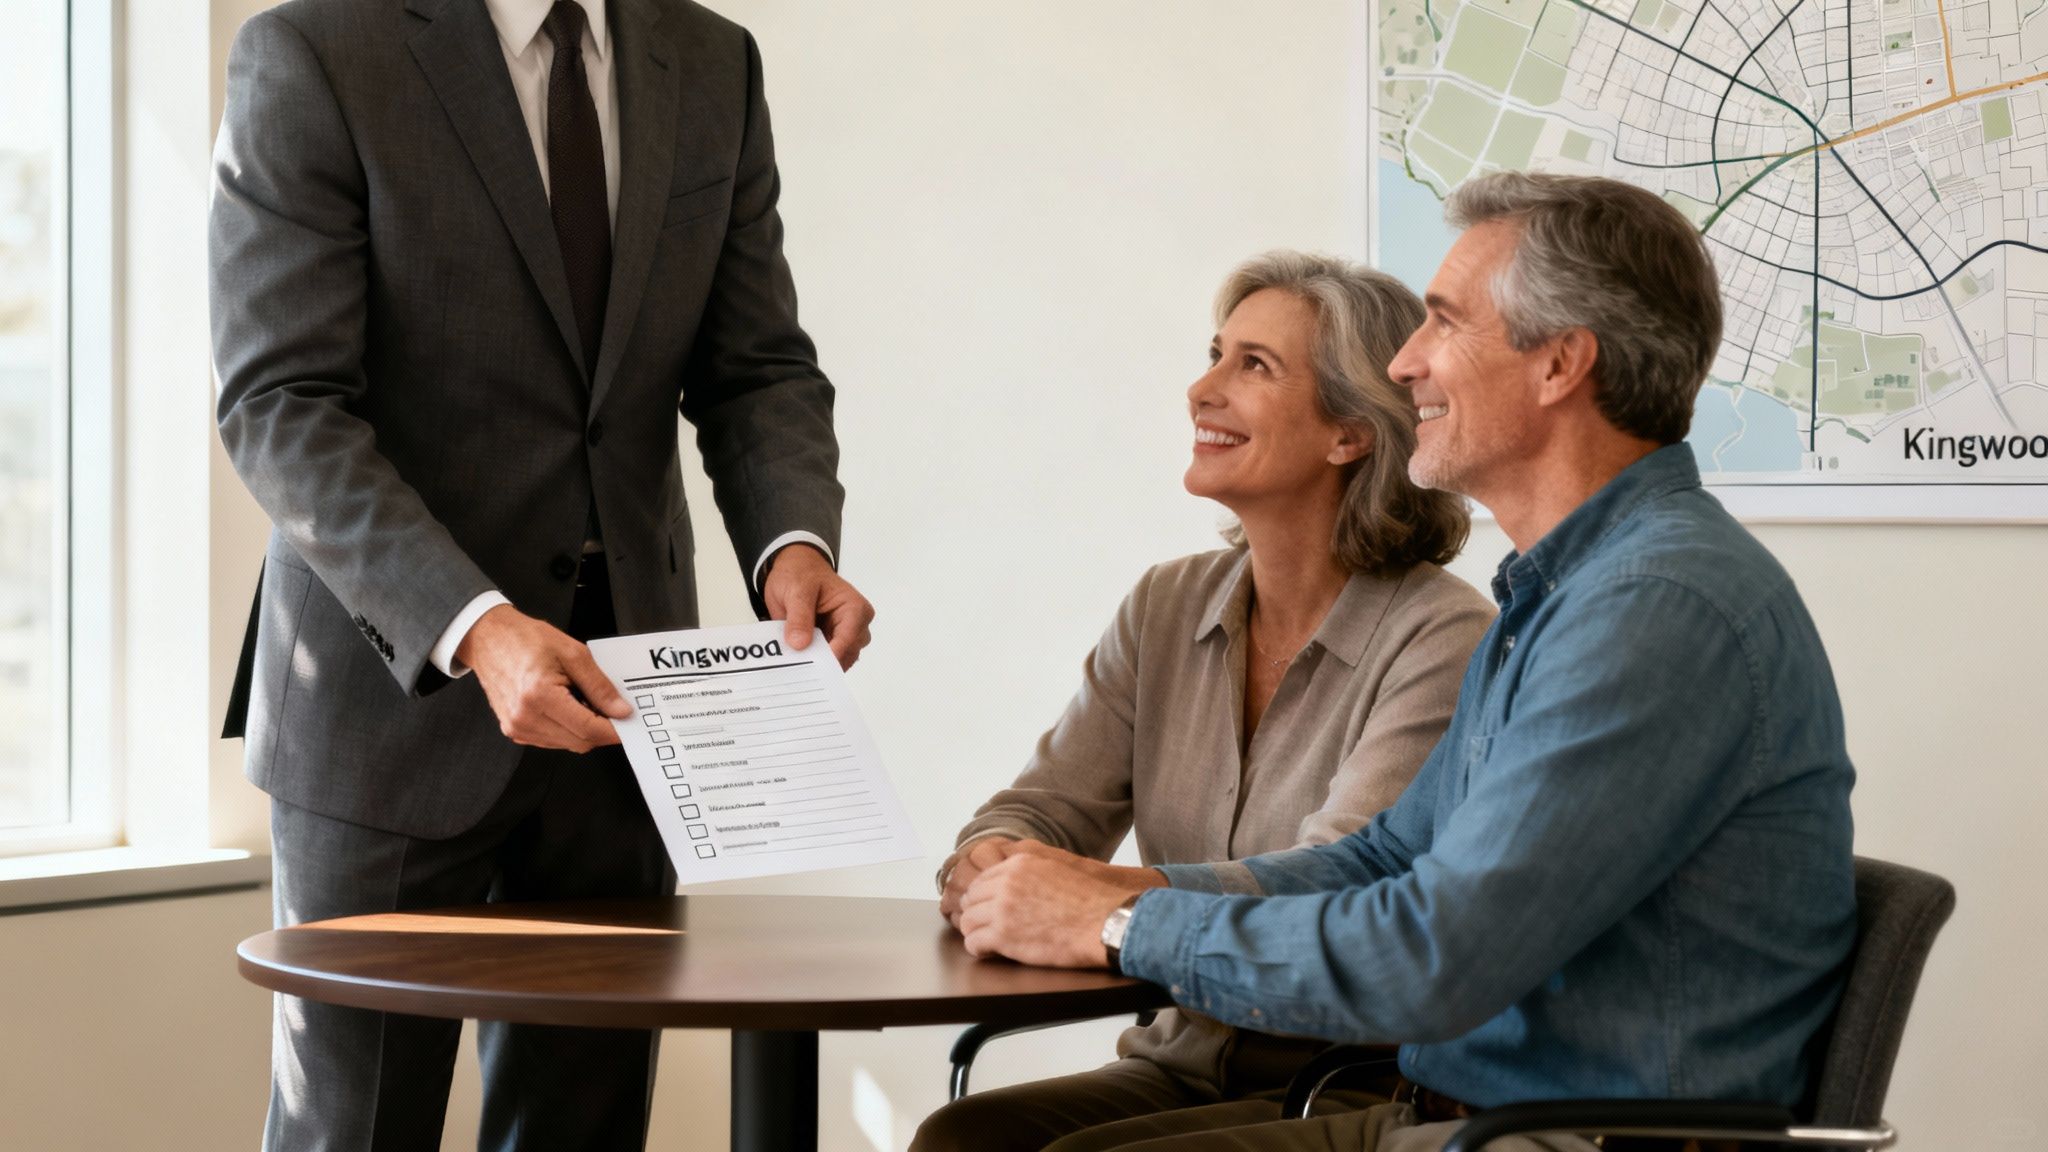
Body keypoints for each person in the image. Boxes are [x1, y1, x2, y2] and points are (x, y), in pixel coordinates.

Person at [948, 172, 1858, 1152]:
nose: (1408, 364)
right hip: (1455, 1117)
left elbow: (1433, 955)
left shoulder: (1654, 608)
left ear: (1557, 365)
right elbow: (1382, 859)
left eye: (1441, 324)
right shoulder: (1562, 592)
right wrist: (1111, 897)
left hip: (1564, 1139)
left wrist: (1118, 928)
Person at [209, 1, 874, 1148]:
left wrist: (793, 543)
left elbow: (755, 366)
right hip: (386, 710)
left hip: (630, 713)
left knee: (585, 1124)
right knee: (353, 1128)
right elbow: (281, 405)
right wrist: (473, 624)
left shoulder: (711, 59)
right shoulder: (317, 48)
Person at [916, 253, 1493, 1150]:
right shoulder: (1167, 603)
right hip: (1171, 1062)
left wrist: (1094, 902)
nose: (1201, 387)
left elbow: (1344, 880)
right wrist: (991, 858)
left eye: (1252, 366)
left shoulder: (1441, 634)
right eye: (1215, 353)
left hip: (1348, 1082)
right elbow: (1043, 808)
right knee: (963, 1139)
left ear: (1350, 432)